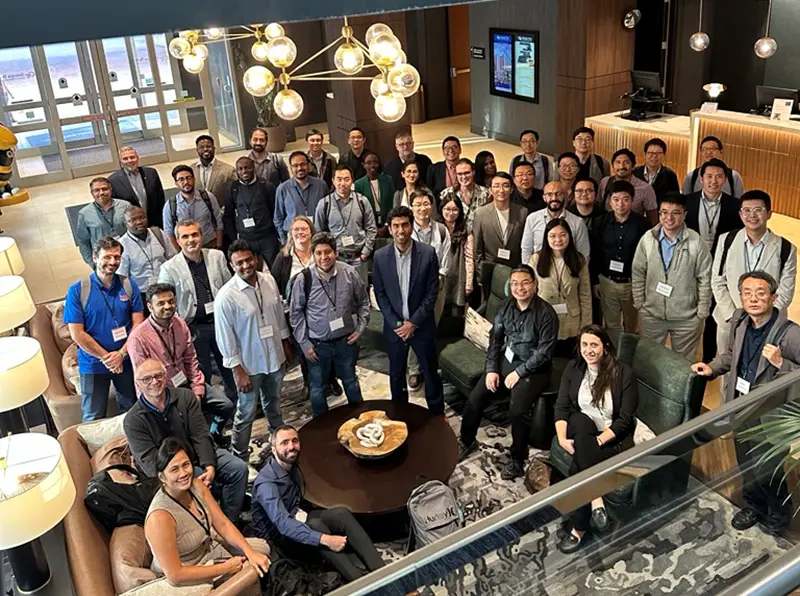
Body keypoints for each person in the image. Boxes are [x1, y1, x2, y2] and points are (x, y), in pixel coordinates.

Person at [458, 265, 557, 479]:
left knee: (517, 409)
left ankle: (517, 458)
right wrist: (492, 369)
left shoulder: (546, 314)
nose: (519, 287)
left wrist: (519, 373)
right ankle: (467, 440)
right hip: (508, 358)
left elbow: (544, 353)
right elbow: (495, 340)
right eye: (515, 283)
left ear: (535, 284)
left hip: (535, 368)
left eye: (525, 282)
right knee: (476, 396)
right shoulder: (504, 308)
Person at [251, 426, 384, 581]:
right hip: (278, 539)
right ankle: (362, 583)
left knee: (341, 513)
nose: (291, 447)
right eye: (284, 442)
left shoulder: (290, 463)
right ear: (273, 450)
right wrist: (327, 539)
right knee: (317, 527)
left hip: (297, 514)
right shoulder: (266, 484)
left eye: (295, 441)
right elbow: (283, 524)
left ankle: (385, 573)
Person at [125, 360, 245, 521]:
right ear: (138, 384)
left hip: (196, 455)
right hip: (169, 470)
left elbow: (200, 434)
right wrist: (185, 471)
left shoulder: (185, 397)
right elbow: (150, 463)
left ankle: (230, 521)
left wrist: (209, 466)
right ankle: (212, 525)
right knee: (198, 479)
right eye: (147, 379)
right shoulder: (133, 420)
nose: (154, 381)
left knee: (238, 469)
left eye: (158, 376)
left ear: (165, 376)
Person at [554, 325, 638, 553]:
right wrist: (562, 438)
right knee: (579, 421)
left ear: (606, 347)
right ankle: (596, 499)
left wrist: (599, 441)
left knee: (578, 468)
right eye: (584, 344)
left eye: (594, 345)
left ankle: (579, 529)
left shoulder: (624, 374)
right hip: (583, 434)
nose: (588, 350)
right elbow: (561, 407)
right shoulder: (573, 368)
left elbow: (625, 421)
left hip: (612, 439)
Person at [144, 438, 270, 586]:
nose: (183, 473)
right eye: (174, 469)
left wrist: (249, 552)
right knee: (248, 573)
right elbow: (175, 575)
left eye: (186, 465)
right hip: (186, 572)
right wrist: (226, 568)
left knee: (262, 551)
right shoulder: (160, 517)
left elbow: (223, 524)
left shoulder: (196, 485)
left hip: (208, 548)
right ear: (162, 477)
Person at [127, 284, 234, 446]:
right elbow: (144, 380)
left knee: (226, 405)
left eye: (171, 301)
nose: (167, 306)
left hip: (186, 382)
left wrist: (197, 390)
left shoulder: (180, 324)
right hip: (164, 392)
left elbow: (191, 359)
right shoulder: (138, 338)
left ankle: (214, 434)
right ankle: (202, 446)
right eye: (161, 303)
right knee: (185, 424)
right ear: (150, 306)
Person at [712, 190, 797, 388]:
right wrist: (734, 316)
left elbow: (785, 291)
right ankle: (727, 415)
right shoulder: (727, 240)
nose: (752, 215)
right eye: (747, 210)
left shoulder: (785, 248)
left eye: (758, 210)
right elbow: (717, 281)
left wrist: (760, 316)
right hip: (729, 320)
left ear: (769, 213)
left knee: (762, 374)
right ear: (740, 214)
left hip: (768, 326)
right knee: (729, 373)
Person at [215, 239, 291, 460]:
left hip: (274, 357)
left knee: (274, 403)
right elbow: (225, 338)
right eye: (239, 262)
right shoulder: (226, 297)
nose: (246, 265)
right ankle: (239, 456)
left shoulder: (268, 281)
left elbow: (277, 315)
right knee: (246, 412)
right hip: (249, 365)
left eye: (249, 259)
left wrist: (285, 343)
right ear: (231, 265)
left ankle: (279, 440)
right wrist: (238, 370)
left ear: (256, 258)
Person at [372, 206, 445, 414]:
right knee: (396, 375)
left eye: (405, 224)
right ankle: (400, 416)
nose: (401, 230)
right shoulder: (380, 256)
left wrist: (412, 323)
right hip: (395, 329)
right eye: (396, 226)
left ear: (411, 226)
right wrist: (398, 325)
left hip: (421, 326)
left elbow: (432, 293)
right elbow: (380, 294)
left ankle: (438, 416)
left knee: (430, 374)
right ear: (389, 228)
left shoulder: (428, 254)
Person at [63, 236, 144, 421]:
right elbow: (77, 333)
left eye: (117, 257)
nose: (112, 262)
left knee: (133, 409)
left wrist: (121, 355)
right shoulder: (78, 290)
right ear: (95, 258)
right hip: (93, 363)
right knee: (93, 415)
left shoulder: (129, 285)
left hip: (125, 359)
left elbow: (138, 324)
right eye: (107, 257)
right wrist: (107, 358)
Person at [290, 232, 369, 416]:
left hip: (345, 342)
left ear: (336, 253)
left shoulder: (349, 273)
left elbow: (364, 302)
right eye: (318, 253)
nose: (323, 257)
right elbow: (296, 314)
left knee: (351, 382)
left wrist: (360, 329)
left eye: (328, 252)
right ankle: (323, 430)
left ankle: (361, 419)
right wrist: (304, 344)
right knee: (317, 389)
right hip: (317, 345)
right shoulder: (304, 279)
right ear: (313, 255)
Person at [158, 219, 237, 405]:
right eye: (185, 236)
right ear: (177, 240)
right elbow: (165, 304)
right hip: (194, 329)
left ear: (201, 236)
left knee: (231, 368)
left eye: (194, 234)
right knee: (202, 376)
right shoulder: (168, 268)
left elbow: (229, 288)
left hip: (221, 324)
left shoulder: (217, 256)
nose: (191, 240)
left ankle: (236, 409)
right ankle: (210, 421)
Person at [631, 192, 713, 360]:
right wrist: (640, 303)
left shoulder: (696, 242)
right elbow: (638, 271)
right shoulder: (648, 239)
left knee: (682, 365)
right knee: (648, 360)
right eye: (664, 212)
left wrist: (702, 312)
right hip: (652, 314)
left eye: (675, 212)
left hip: (687, 317)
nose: (669, 217)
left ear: (684, 215)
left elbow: (705, 278)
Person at [271, 217, 345, 401]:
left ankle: (331, 379)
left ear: (311, 231)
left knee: (329, 347)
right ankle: (308, 382)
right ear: (290, 233)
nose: (300, 233)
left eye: (304, 229)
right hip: (297, 312)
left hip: (323, 310)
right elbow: (274, 283)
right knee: (305, 350)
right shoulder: (284, 257)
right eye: (296, 229)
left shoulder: (319, 253)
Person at [685, 157, 744, 362]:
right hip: (691, 262)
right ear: (701, 179)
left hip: (721, 265)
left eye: (719, 177)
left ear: (725, 180)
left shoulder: (735, 205)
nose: (713, 181)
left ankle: (708, 357)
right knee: (689, 305)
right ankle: (685, 353)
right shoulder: (687, 201)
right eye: (709, 176)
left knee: (713, 310)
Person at [590, 180, 650, 332]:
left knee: (632, 326)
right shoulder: (600, 222)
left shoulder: (642, 224)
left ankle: (630, 355)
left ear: (632, 200)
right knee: (612, 326)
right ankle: (614, 355)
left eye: (625, 199)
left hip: (632, 283)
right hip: (607, 282)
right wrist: (595, 281)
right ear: (610, 201)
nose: (620, 204)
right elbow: (595, 252)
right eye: (616, 200)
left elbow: (647, 256)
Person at [407, 191, 451, 390]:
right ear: (412, 207)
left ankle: (428, 367)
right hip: (413, 288)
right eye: (418, 204)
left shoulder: (441, 229)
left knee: (432, 327)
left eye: (426, 203)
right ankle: (413, 370)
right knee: (414, 327)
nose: (422, 208)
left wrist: (437, 277)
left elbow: (446, 259)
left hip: (437, 286)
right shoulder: (406, 229)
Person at [530, 219, 591, 358]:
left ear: (569, 235)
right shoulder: (536, 259)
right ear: (546, 238)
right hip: (544, 322)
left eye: (562, 235)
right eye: (552, 236)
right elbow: (531, 294)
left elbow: (585, 296)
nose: (558, 239)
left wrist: (586, 328)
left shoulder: (579, 260)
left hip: (572, 323)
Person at [314, 164, 377, 282]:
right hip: (336, 259)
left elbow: (371, 228)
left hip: (359, 257)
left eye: (346, 179)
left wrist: (366, 252)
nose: (342, 183)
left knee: (361, 292)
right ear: (333, 181)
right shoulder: (324, 204)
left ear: (352, 180)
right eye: (339, 179)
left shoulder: (362, 201)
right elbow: (318, 233)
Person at [473, 173, 528, 297]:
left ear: (512, 189)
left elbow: (524, 245)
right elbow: (477, 248)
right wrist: (480, 273)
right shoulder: (480, 213)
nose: (501, 190)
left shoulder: (522, 212)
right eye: (496, 186)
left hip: (514, 269)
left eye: (505, 186)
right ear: (490, 189)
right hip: (490, 270)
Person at [222, 156, 281, 268]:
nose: (244, 171)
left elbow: (275, 212)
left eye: (247, 167)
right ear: (237, 171)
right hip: (246, 239)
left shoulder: (266, 186)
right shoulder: (233, 189)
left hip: (267, 238)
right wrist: (235, 239)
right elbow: (228, 216)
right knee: (250, 270)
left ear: (253, 167)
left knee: (275, 269)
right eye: (240, 169)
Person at [521, 181, 590, 264]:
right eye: (549, 194)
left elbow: (583, 253)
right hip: (538, 272)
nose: (554, 198)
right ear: (544, 198)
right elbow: (526, 250)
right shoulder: (532, 219)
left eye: (558, 194)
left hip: (568, 272)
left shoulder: (577, 222)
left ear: (565, 196)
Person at [117, 207, 173, 301]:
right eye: (133, 220)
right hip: (141, 294)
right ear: (126, 224)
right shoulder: (122, 245)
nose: (139, 222)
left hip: (165, 289)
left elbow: (172, 259)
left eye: (142, 217)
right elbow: (122, 277)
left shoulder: (158, 233)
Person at [164, 165, 223, 251]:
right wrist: (179, 253)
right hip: (187, 249)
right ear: (176, 183)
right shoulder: (170, 205)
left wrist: (219, 245)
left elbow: (219, 222)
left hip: (210, 245)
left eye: (189, 178)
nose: (186, 182)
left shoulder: (208, 197)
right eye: (181, 179)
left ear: (194, 179)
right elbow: (169, 232)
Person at [274, 151, 328, 245]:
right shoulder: (283, 189)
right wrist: (284, 240)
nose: (299, 168)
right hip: (293, 239)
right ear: (290, 168)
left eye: (302, 164)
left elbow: (328, 212)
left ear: (309, 166)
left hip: (317, 237)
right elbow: (278, 218)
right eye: (295, 165)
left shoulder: (321, 185)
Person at [76, 177, 130, 265]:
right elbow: (83, 241)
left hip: (126, 255)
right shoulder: (84, 214)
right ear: (92, 193)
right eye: (97, 190)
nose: (101, 193)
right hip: (103, 260)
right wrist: (91, 262)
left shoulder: (125, 206)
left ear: (110, 190)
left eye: (104, 189)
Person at [108, 146, 166, 227]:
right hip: (133, 227)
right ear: (120, 162)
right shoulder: (113, 181)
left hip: (155, 223)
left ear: (137, 158)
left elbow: (160, 199)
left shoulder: (151, 173)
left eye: (132, 157)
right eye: (125, 159)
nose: (129, 161)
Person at [598, 148, 657, 225]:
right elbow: (598, 206)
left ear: (633, 166)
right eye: (618, 162)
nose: (622, 166)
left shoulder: (646, 188)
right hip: (607, 229)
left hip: (633, 231)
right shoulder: (605, 182)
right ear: (612, 166)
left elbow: (653, 220)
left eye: (626, 162)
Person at [438, 158, 490, 234]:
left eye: (467, 173)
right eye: (460, 174)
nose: (464, 177)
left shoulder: (485, 193)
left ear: (473, 172)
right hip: (454, 239)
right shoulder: (446, 194)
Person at [440, 196, 474, 313]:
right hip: (441, 277)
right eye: (447, 209)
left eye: (455, 209)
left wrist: (468, 283)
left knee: (456, 316)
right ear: (441, 209)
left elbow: (469, 258)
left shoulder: (466, 230)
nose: (451, 213)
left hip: (459, 277)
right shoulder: (436, 229)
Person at [632, 138, 680, 204]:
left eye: (658, 153)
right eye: (651, 153)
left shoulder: (670, 175)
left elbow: (674, 199)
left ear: (664, 155)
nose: (654, 156)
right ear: (645, 154)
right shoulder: (635, 173)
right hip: (638, 213)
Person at [354, 151, 395, 229]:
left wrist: (387, 224)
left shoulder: (388, 180)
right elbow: (359, 208)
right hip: (368, 225)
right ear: (363, 165)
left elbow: (392, 204)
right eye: (368, 163)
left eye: (375, 162)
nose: (372, 165)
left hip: (388, 224)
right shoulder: (359, 184)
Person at [193, 135, 237, 201]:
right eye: (201, 147)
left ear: (214, 148)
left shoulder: (229, 170)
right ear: (197, 150)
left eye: (208, 146)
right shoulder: (191, 170)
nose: (205, 149)